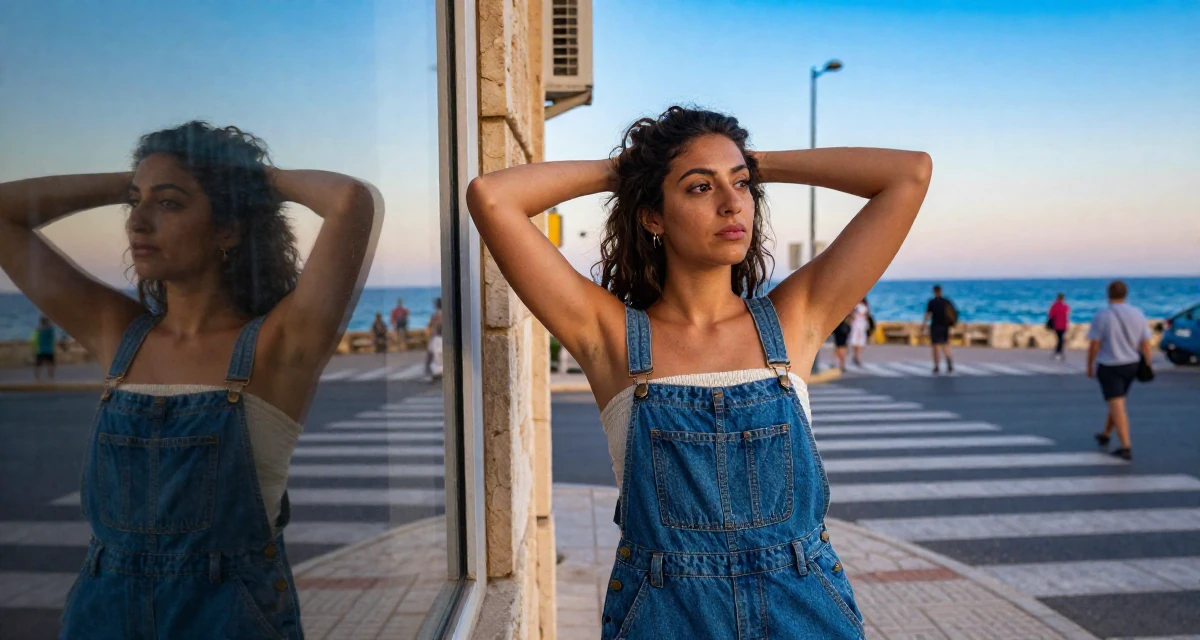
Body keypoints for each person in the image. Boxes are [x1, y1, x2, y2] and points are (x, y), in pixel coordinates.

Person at [466, 106, 931, 639]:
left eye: (742, 185)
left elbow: (909, 174)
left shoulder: (795, 319)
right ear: (652, 216)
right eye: (699, 189)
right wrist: (636, 167)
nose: (733, 203)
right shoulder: (608, 335)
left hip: (804, 611)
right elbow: (492, 197)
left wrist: (757, 162)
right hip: (668, 620)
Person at [0, 121, 380, 639]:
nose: (138, 221)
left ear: (228, 228)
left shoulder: (278, 346)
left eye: (169, 204)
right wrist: (140, 179)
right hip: (100, 616)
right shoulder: (119, 335)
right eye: (134, 202)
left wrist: (246, 177)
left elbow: (349, 201)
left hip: (225, 623)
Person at [1087, 280, 1152, 461]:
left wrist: (1090, 366)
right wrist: (1148, 363)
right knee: (1118, 401)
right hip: (1132, 364)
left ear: (1108, 294)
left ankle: (1126, 446)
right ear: (1126, 294)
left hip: (1110, 365)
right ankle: (1105, 434)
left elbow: (1095, 344)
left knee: (1117, 404)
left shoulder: (1103, 315)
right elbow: (1145, 342)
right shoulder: (1137, 313)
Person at [923, 284, 957, 374]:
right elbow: (953, 312)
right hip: (945, 326)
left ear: (934, 291)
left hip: (935, 326)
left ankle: (936, 366)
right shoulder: (947, 301)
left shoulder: (932, 302)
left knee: (935, 346)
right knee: (945, 344)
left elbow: (928, 315)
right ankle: (949, 361)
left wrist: (924, 324)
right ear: (941, 291)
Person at [31, 315, 57, 381]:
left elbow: (35, 340)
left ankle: (36, 378)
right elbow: (53, 338)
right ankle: (51, 378)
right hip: (49, 350)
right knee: (50, 365)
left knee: (38, 365)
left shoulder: (38, 330)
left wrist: (33, 349)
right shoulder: (50, 330)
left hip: (40, 350)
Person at [848, 298, 872, 367]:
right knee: (855, 340)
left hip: (862, 324)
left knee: (861, 341)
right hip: (856, 323)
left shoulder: (865, 306)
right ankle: (856, 356)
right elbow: (852, 315)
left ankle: (857, 356)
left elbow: (867, 315)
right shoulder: (856, 305)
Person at [1048, 293, 1070, 360]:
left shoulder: (1054, 306)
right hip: (1063, 325)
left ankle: (1058, 352)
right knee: (1061, 339)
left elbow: (1051, 315)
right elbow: (1067, 316)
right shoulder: (1066, 306)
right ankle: (1059, 352)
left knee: (1059, 339)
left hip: (1056, 325)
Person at [426, 297, 443, 381]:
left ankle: (431, 374)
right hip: (441, 337)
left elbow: (431, 325)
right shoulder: (444, 314)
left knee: (431, 355)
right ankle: (434, 373)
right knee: (437, 356)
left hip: (437, 337)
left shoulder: (437, 315)